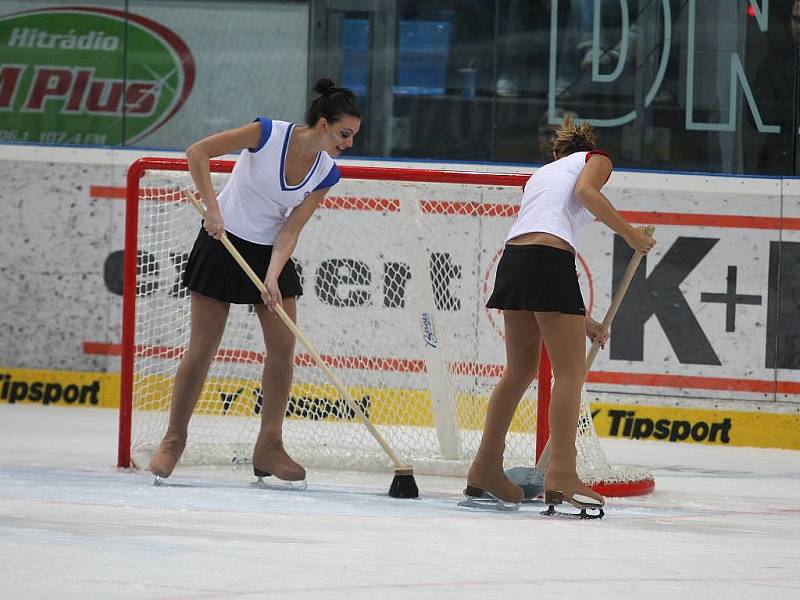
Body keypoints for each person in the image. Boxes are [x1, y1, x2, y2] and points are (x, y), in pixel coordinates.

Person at [148, 79, 362, 482]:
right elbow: (198, 152)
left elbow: (290, 231)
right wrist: (212, 210)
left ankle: (269, 446)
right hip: (222, 239)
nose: (348, 143)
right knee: (203, 346)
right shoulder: (267, 133)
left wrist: (273, 275)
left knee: (283, 347)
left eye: (352, 136)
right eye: (343, 134)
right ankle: (173, 440)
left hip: (269, 253)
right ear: (321, 124)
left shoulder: (327, 173)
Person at [465, 114, 655, 509]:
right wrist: (631, 234)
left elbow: (539, 252)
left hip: (514, 259)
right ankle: (563, 473)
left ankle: (484, 467)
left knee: (518, 371)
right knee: (569, 374)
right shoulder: (596, 158)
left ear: (556, 152)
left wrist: (583, 322)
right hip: (549, 259)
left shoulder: (540, 176)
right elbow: (588, 193)